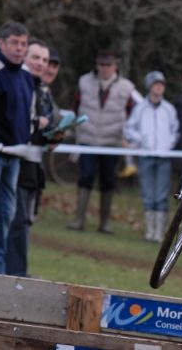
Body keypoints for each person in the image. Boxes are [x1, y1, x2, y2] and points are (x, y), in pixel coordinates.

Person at [0, 22, 34, 274]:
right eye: (14, 43)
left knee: (6, 215)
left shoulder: (26, 76)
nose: (19, 49)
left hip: (16, 155)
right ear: (2, 43)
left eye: (23, 44)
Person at [67, 49, 136, 233]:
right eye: (101, 65)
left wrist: (127, 136)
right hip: (87, 139)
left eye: (108, 65)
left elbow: (133, 115)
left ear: (115, 66)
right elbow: (75, 108)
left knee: (108, 181)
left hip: (112, 142)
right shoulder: (84, 82)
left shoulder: (127, 87)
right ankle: (79, 219)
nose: (105, 68)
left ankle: (104, 223)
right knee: (85, 177)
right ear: (96, 65)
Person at [5, 39, 53, 277]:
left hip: (33, 165)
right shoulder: (20, 82)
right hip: (14, 159)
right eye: (36, 57)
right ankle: (14, 273)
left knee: (23, 221)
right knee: (15, 220)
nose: (41, 63)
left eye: (44, 60)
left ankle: (16, 271)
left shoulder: (42, 89)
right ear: (25, 57)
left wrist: (53, 133)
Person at [124, 71, 178, 243]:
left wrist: (168, 144)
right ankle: (150, 230)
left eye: (161, 84)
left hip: (163, 157)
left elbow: (175, 131)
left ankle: (159, 232)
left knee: (161, 195)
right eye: (156, 84)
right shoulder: (140, 108)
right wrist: (142, 140)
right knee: (148, 194)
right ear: (149, 86)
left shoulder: (169, 109)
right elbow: (129, 129)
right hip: (146, 156)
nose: (159, 87)